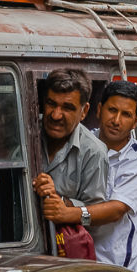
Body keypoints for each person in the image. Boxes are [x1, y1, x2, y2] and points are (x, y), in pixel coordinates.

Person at [41, 81, 137, 269]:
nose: (116, 120)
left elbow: (115, 210)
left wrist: (68, 214)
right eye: (112, 110)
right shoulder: (82, 142)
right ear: (99, 110)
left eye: (125, 115)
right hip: (72, 253)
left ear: (135, 122)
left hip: (113, 263)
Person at [32, 68, 108, 222]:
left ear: (84, 111)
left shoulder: (93, 152)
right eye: (51, 104)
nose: (56, 115)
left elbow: (94, 219)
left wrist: (63, 203)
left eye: (67, 108)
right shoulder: (29, 131)